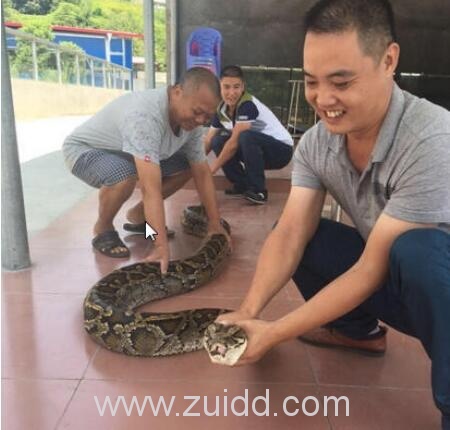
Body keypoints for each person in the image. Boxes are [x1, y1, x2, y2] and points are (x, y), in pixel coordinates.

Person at [215, 0, 450, 427]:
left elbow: (371, 268)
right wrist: (249, 312)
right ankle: (357, 331)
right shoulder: (317, 144)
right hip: (398, 281)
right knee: (307, 238)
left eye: (341, 81)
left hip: (437, 289)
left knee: (416, 250)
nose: (324, 100)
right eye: (311, 82)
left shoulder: (432, 138)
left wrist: (274, 332)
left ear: (388, 60)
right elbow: (289, 233)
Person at [63, 67, 229, 273]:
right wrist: (160, 247)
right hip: (87, 151)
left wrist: (214, 224)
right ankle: (103, 227)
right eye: (197, 112)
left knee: (189, 164)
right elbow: (150, 189)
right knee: (124, 176)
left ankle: (140, 217)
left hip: (132, 153)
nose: (200, 120)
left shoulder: (193, 123)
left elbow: (202, 172)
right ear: (177, 92)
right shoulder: (145, 117)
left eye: (207, 116)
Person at [203, 65, 294, 204]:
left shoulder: (247, 105)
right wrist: (192, 166)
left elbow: (233, 144)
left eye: (236, 87)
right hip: (256, 150)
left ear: (243, 87)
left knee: (245, 136)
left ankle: (259, 191)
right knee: (217, 140)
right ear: (219, 87)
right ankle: (242, 185)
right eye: (226, 87)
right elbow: (208, 141)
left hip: (281, 151)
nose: (231, 93)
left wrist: (211, 171)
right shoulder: (221, 109)